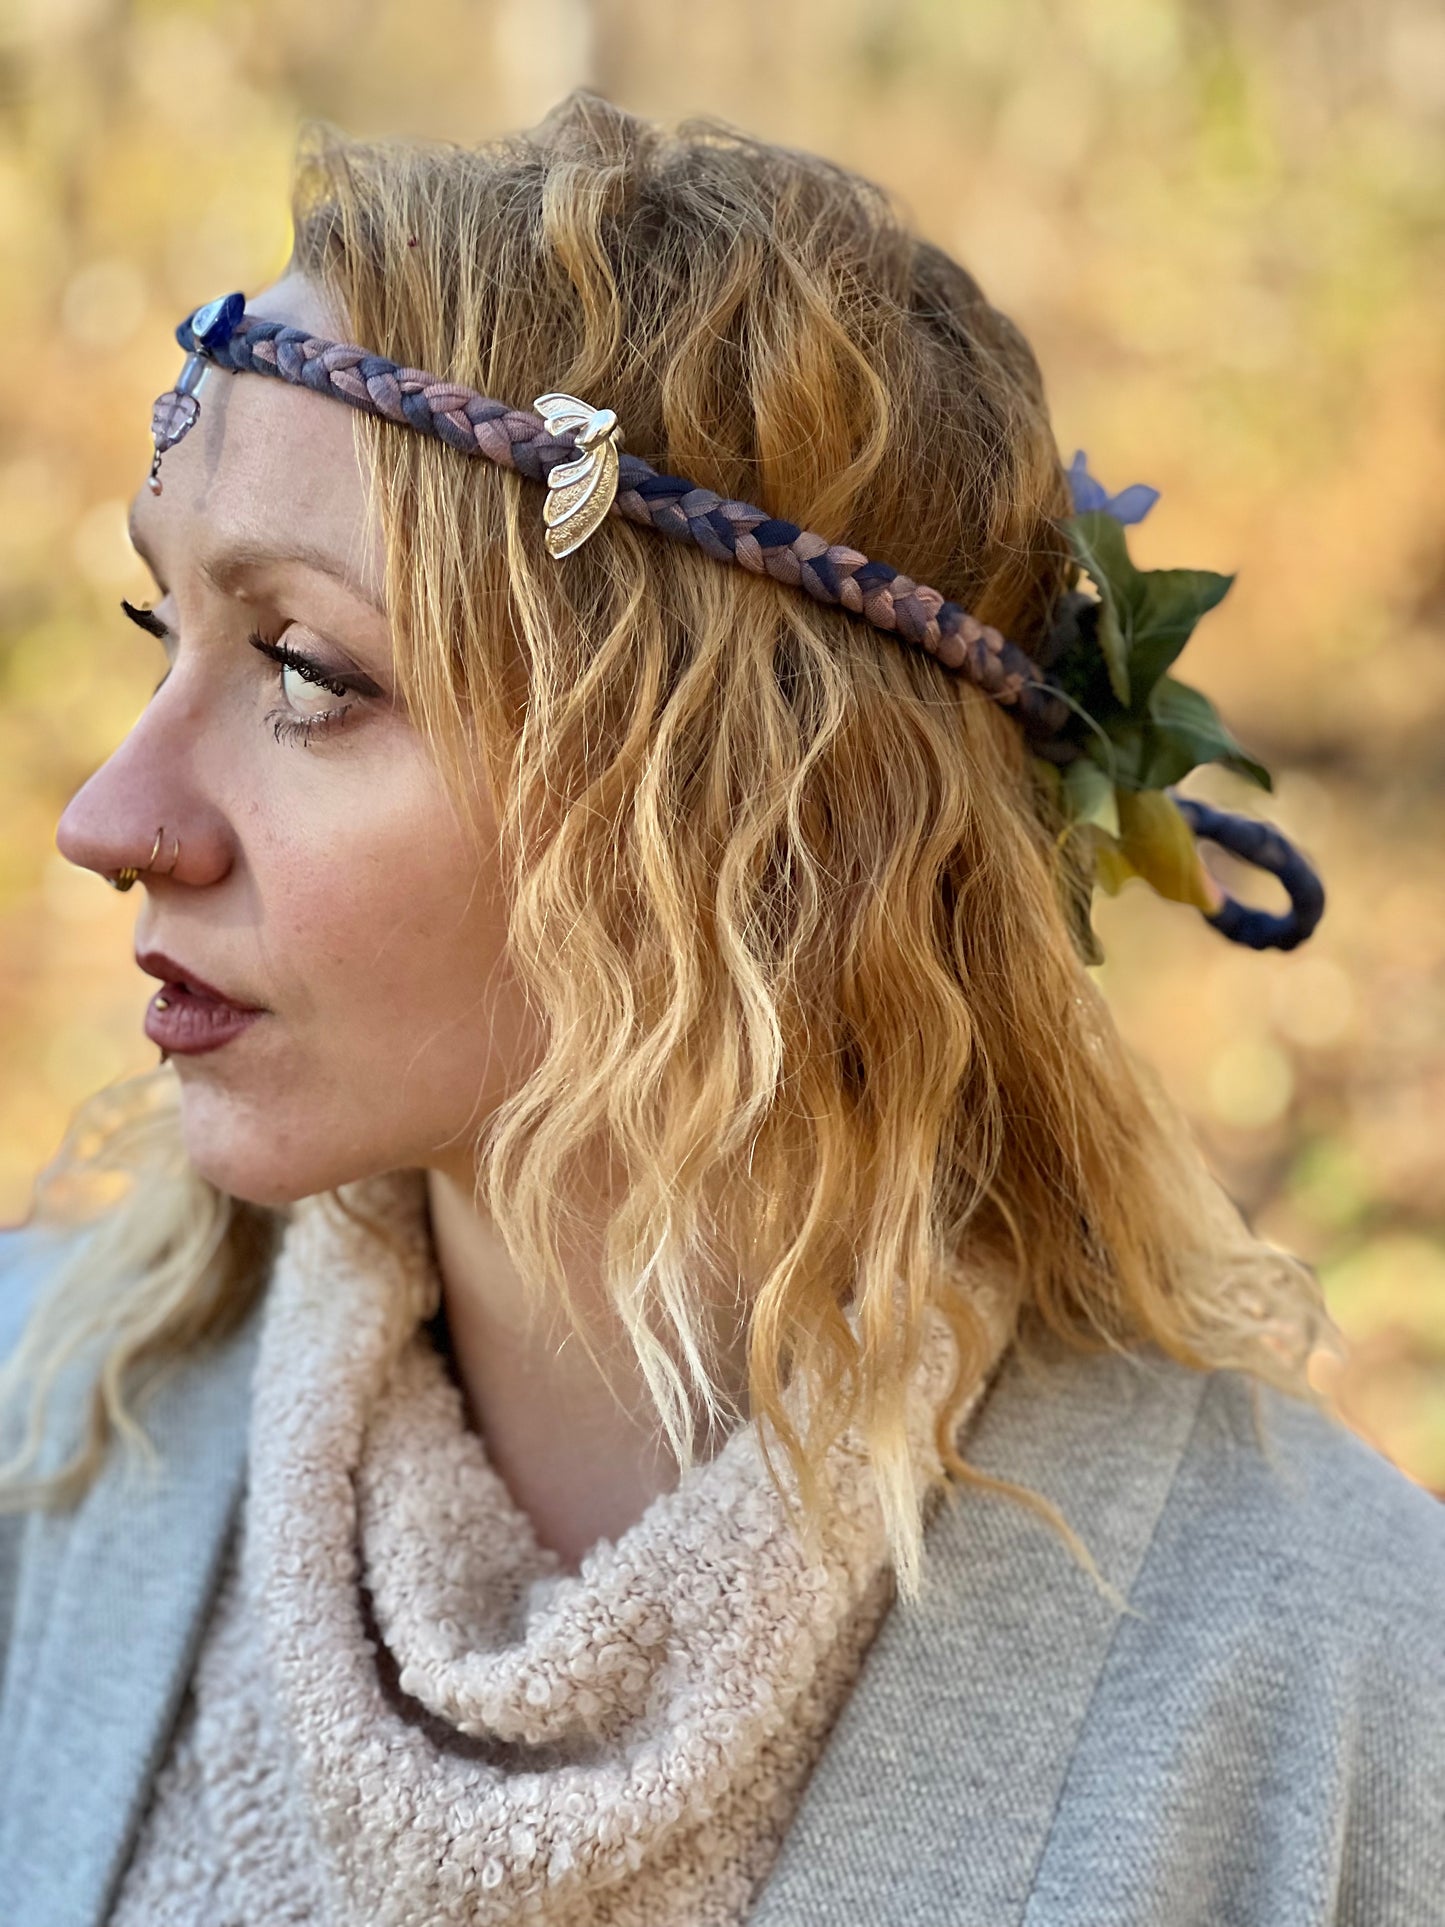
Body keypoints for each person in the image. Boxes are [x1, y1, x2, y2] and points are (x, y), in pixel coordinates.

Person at [0, 91, 1441, 1927]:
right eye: (159, 633)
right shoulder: (48, 1453)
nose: (109, 821)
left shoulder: (1329, 1701)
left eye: (304, 668)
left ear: (738, 809)